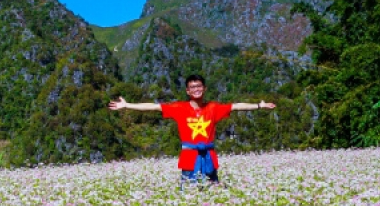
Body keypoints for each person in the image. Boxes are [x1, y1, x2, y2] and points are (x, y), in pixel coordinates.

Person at [107, 75, 275, 184]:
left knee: (212, 192)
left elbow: (236, 106)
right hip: (189, 158)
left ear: (204, 88)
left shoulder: (214, 107)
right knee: (189, 193)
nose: (196, 89)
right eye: (193, 87)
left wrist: (259, 105)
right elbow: (154, 107)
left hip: (209, 157)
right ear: (188, 91)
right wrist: (127, 105)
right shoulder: (179, 107)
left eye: (199, 86)